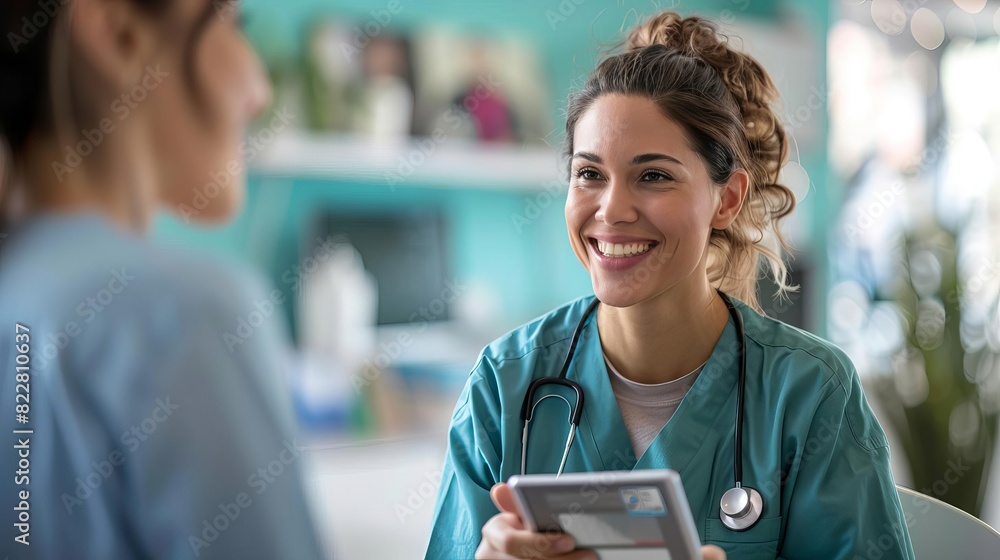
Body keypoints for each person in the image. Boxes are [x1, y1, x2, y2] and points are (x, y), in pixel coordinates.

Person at [425, 10, 914, 560]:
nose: (611, 210)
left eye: (653, 175)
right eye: (589, 174)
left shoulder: (810, 395)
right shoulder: (503, 384)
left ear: (727, 199)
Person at [0, 0, 324, 558]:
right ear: (117, 34)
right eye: (232, 22)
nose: (260, 88)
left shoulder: (22, 291)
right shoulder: (179, 313)